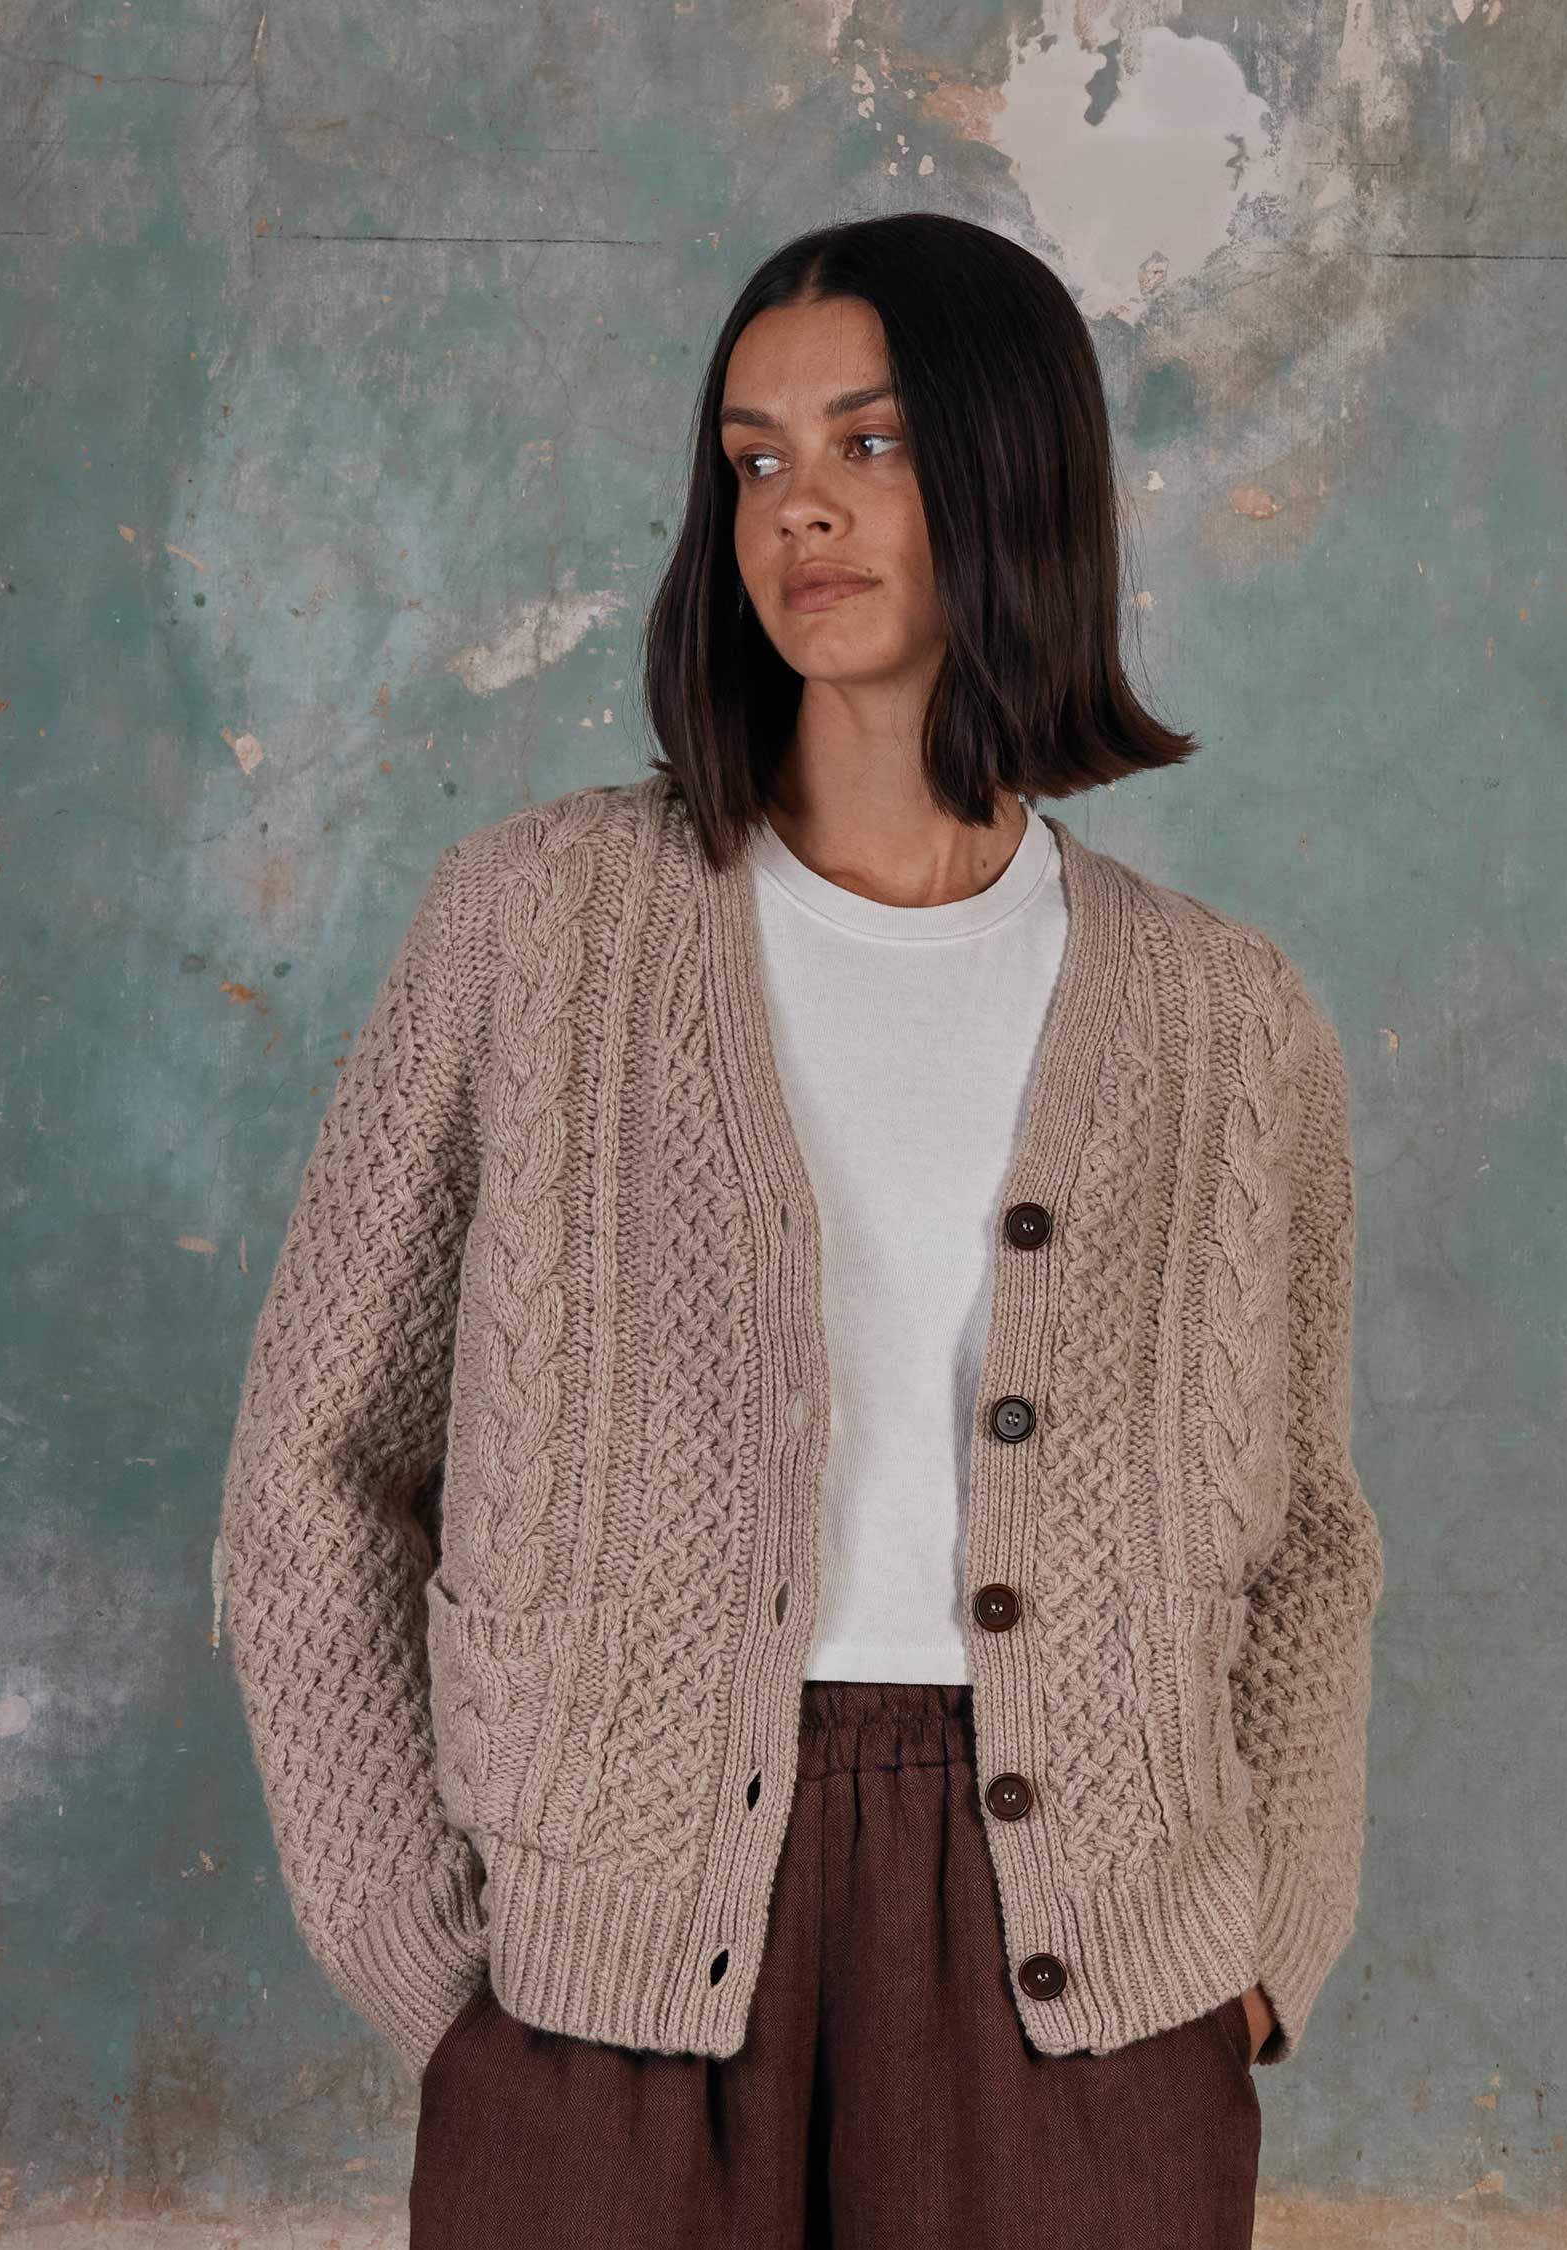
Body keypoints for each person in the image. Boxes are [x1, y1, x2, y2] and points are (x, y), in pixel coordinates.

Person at [219, 212, 1383, 2248]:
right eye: (756, 460)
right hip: (607, 1941)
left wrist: (1262, 1947)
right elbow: (315, 1476)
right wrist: (442, 1974)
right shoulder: (534, 930)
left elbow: (1304, 1540)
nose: (801, 510)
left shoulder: (1223, 1017)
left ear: (1017, 474)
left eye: (871, 443)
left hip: (1088, 1964)